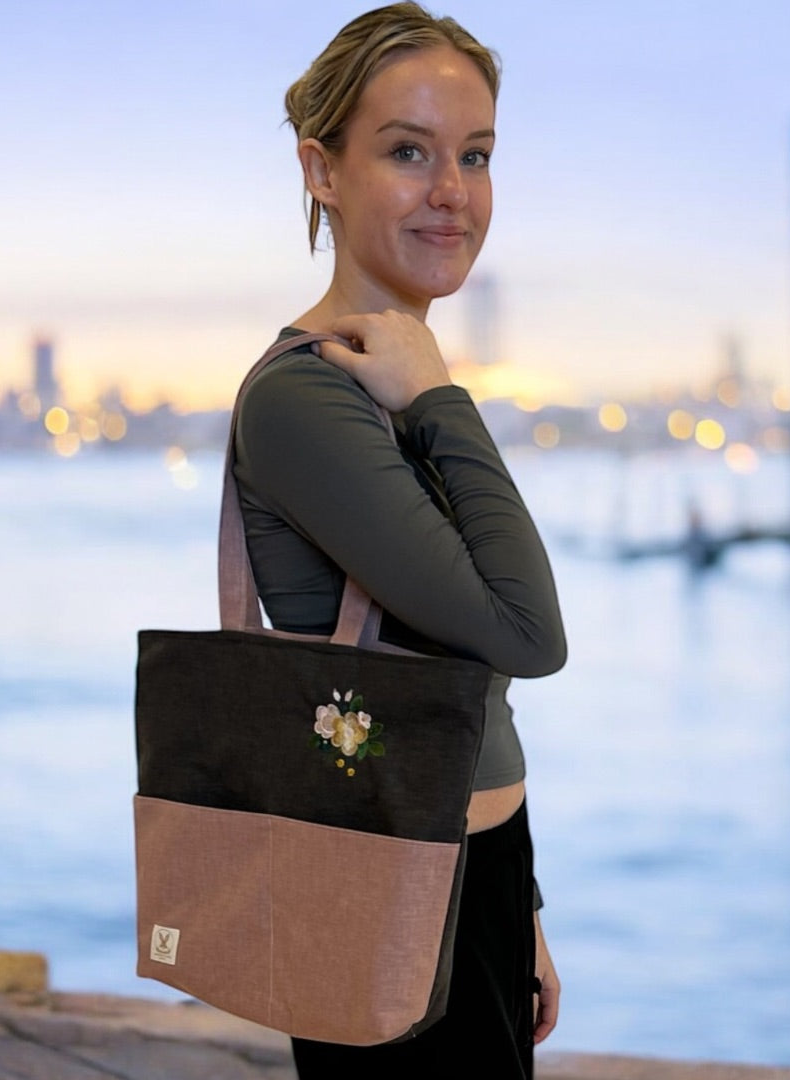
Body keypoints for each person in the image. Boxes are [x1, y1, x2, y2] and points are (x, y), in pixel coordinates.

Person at [232, 4, 567, 1076]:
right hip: (382, 878)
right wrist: (439, 393)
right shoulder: (307, 398)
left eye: (475, 155)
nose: (452, 192)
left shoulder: (386, 383)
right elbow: (524, 631)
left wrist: (525, 905)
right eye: (407, 151)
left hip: (472, 865)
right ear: (321, 170)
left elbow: (469, 682)